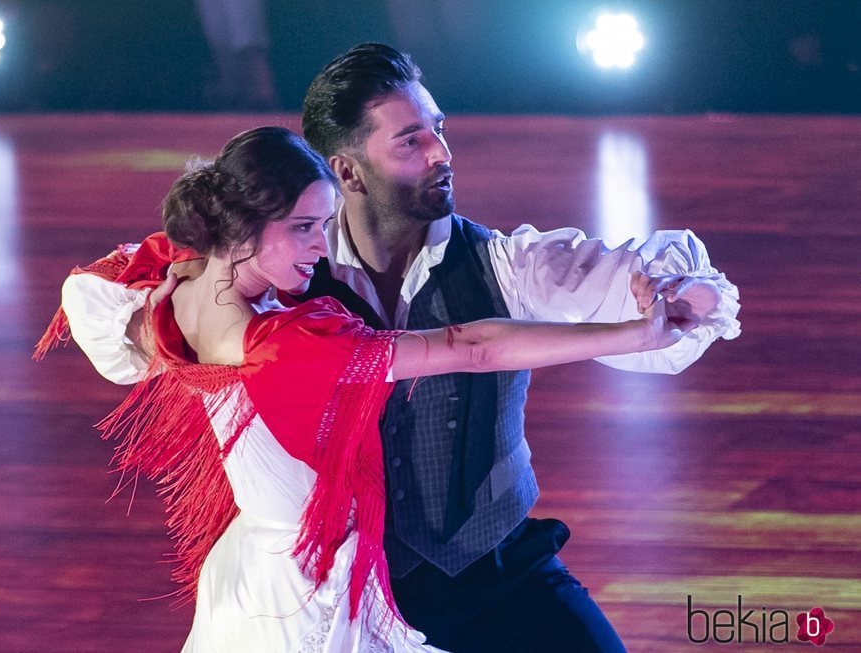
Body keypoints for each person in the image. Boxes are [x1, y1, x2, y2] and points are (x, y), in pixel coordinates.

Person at [60, 45, 741, 652]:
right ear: (346, 172)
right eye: (410, 141)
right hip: (342, 588)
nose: (441, 153)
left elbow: (598, 271)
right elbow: (470, 348)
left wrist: (670, 289)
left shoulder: (499, 264)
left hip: (491, 569)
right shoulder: (280, 290)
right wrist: (163, 307)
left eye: (439, 130)